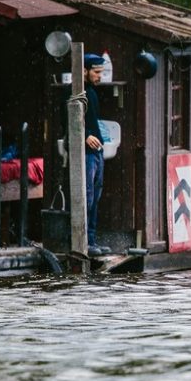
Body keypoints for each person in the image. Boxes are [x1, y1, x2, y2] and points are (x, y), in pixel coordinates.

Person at [83, 53, 110, 257]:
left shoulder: (91, 92)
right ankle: (83, 240)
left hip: (97, 150)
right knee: (88, 196)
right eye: (97, 72)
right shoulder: (78, 93)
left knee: (96, 195)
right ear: (84, 71)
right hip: (87, 151)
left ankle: (91, 239)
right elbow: (66, 120)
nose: (100, 76)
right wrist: (85, 136)